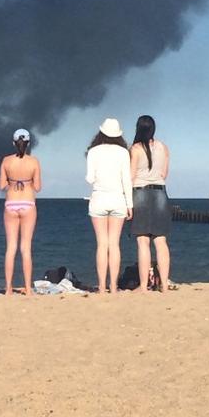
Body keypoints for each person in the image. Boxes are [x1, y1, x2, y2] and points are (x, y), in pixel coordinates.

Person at [85, 118, 133, 293]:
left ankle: (102, 286)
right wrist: (130, 205)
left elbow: (89, 178)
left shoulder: (93, 152)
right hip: (118, 199)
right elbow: (127, 180)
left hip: (99, 198)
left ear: (101, 133)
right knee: (114, 244)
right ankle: (113, 286)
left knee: (102, 244)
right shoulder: (123, 153)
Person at [129, 115, 171, 293]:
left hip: (141, 192)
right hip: (160, 192)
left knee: (143, 241)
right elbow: (164, 174)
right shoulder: (163, 147)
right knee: (161, 241)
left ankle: (144, 286)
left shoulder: (135, 149)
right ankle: (165, 285)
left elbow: (131, 177)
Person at [0, 129, 41, 295]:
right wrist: (27, 181)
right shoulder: (34, 162)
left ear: (13, 143)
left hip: (11, 204)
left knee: (11, 248)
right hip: (28, 203)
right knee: (26, 248)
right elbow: (37, 187)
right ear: (29, 143)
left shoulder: (6, 161)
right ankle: (28, 289)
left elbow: (2, 185)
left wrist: (13, 180)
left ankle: (8, 289)